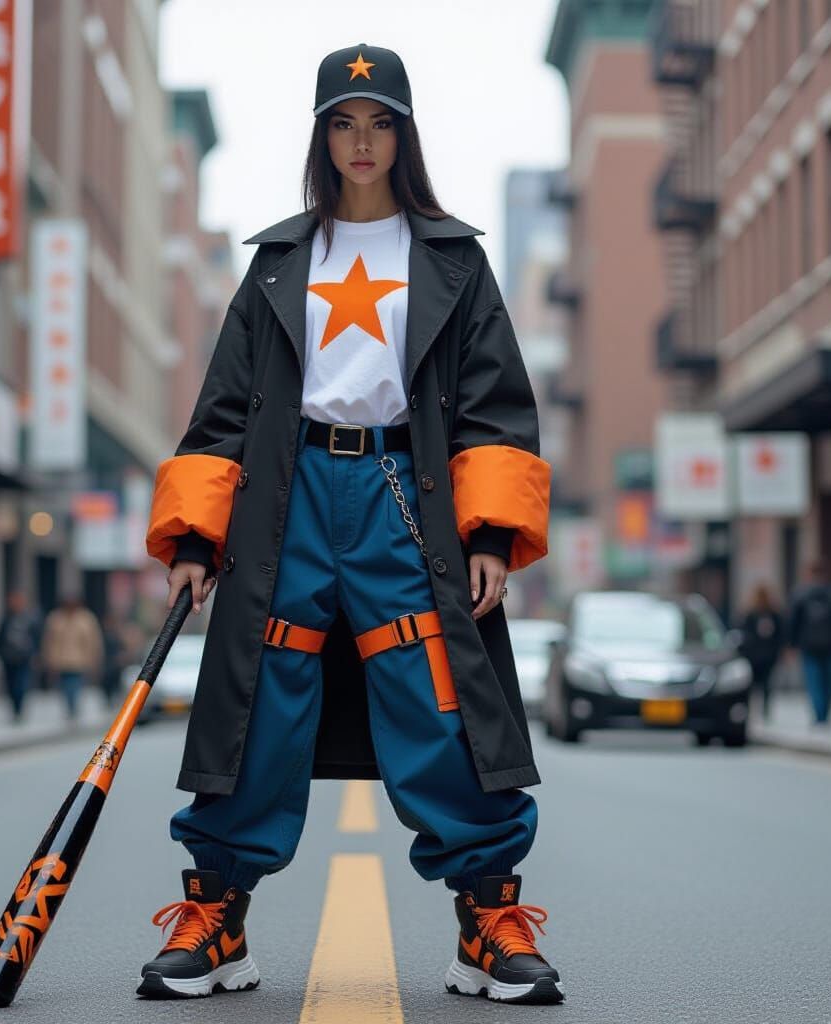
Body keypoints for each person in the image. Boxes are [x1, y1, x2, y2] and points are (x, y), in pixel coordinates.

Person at [140, 43, 561, 1006]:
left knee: (436, 685)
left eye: (378, 123)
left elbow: (498, 401)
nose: (360, 142)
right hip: (283, 498)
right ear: (321, 135)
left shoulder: (452, 257)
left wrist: (490, 533)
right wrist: (197, 542)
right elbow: (224, 410)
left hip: (400, 493)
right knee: (260, 686)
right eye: (343, 122)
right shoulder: (282, 260)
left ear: (403, 136)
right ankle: (216, 916)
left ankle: (487, 916)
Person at [787, 561, 831, 725]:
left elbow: (794, 622)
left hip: (809, 646)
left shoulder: (801, 594)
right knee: (829, 682)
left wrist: (792, 644)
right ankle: (826, 713)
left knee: (814, 681)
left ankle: (818, 714)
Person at [40, 594, 103, 721]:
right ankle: (69, 706)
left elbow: (93, 641)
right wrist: (48, 658)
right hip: (60, 660)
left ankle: (73, 707)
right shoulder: (56, 618)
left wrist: (94, 658)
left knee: (75, 684)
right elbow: (49, 640)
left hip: (79, 660)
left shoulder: (86, 618)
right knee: (64, 686)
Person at [0, 590, 42, 722]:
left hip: (24, 658)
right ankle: (14, 709)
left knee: (21, 684)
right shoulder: (6, 619)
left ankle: (19, 709)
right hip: (8, 658)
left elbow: (37, 638)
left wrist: (36, 654)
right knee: (10, 685)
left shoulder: (30, 620)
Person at [737, 583, 784, 720]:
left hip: (757, 656)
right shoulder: (765, 614)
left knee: (755, 685)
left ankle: (754, 709)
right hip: (766, 655)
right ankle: (764, 709)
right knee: (765, 684)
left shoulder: (755, 614)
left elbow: (744, 634)